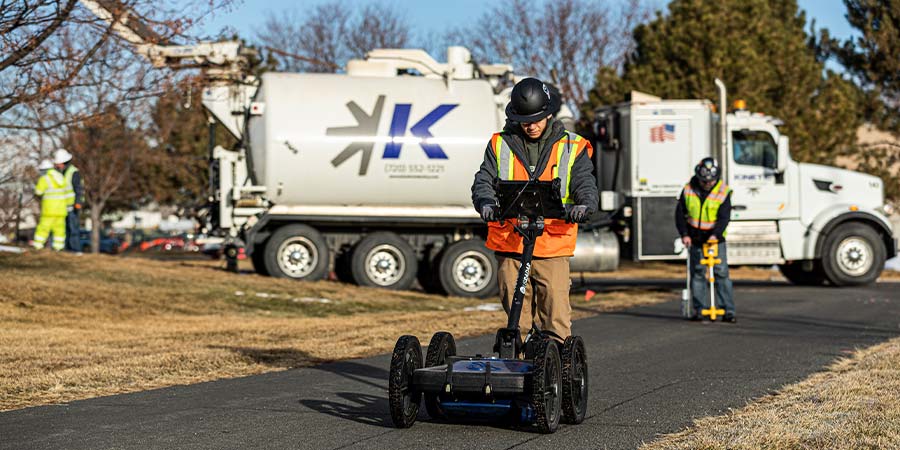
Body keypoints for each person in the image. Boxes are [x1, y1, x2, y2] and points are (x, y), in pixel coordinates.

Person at [471, 77, 598, 343]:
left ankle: (558, 358)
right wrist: (486, 203)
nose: (531, 126)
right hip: (511, 239)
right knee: (512, 298)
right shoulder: (499, 144)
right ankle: (518, 352)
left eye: (537, 120)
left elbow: (584, 182)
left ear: (549, 114)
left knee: (554, 301)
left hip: (552, 241)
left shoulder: (572, 146)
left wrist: (584, 205)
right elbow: (484, 179)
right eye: (525, 120)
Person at [675, 157, 736, 323]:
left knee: (721, 273)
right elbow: (680, 214)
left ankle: (728, 310)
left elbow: (724, 217)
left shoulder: (723, 191)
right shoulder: (688, 190)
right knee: (698, 273)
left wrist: (716, 235)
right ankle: (699, 309)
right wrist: (684, 234)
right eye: (704, 181)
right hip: (695, 238)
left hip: (715, 239)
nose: (708, 184)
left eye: (711, 181)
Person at [33, 159, 70, 251]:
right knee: (59, 229)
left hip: (49, 210)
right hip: (61, 209)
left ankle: (38, 245)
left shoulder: (44, 179)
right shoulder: (61, 177)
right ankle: (59, 247)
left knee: (43, 228)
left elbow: (38, 192)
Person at [54, 149, 83, 253]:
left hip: (72, 206)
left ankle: (76, 249)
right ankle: (67, 249)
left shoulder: (73, 172)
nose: (57, 165)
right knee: (65, 229)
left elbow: (78, 188)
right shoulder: (61, 173)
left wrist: (78, 202)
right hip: (63, 207)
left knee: (73, 228)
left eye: (59, 163)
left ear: (64, 162)